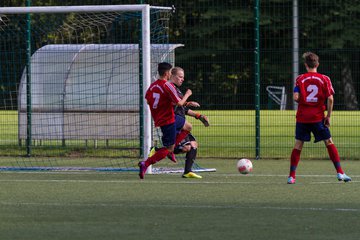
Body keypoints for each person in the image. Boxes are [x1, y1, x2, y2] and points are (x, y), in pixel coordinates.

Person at [287, 52, 351, 184]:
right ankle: (340, 173)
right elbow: (331, 99)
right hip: (317, 118)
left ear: (306, 65)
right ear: (317, 64)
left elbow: (295, 97)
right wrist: (328, 116)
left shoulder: (300, 78)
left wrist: (304, 103)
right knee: (329, 142)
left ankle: (291, 176)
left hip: (303, 118)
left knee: (298, 145)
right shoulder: (325, 79)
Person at [138, 62, 192, 179]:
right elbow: (179, 103)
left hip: (166, 117)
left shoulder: (152, 86)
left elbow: (148, 100)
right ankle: (145, 164)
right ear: (167, 73)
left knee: (188, 127)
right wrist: (187, 94)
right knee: (168, 149)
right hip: (168, 120)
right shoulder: (167, 85)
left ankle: (171, 150)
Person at [170, 67, 209, 179]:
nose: (182, 79)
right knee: (186, 148)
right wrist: (187, 95)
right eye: (180, 77)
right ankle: (159, 150)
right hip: (175, 124)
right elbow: (177, 105)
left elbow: (183, 109)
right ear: (172, 76)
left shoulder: (177, 90)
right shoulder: (170, 89)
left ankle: (187, 171)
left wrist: (199, 116)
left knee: (193, 145)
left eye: (183, 77)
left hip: (182, 124)